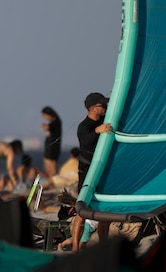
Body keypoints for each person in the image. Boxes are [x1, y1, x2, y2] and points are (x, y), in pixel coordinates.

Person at [71, 92, 113, 252]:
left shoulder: (105, 121)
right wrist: (97, 130)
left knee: (104, 213)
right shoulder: (84, 126)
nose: (106, 107)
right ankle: (75, 249)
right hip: (87, 173)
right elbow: (86, 141)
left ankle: (103, 248)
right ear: (93, 108)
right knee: (82, 212)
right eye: (103, 105)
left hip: (103, 172)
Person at [41, 106, 63, 178]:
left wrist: (44, 126)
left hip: (53, 147)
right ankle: (51, 178)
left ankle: (54, 179)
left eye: (45, 116)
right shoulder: (53, 123)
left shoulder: (56, 122)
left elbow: (48, 128)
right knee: (47, 161)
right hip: (49, 146)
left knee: (52, 164)